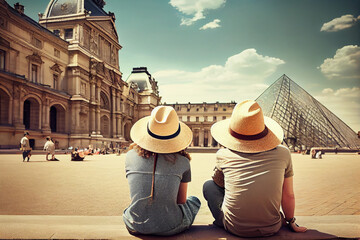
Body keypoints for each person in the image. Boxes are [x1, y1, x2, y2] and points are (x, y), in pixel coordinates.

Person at [203, 100, 307, 237]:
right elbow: (288, 195)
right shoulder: (284, 153)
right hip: (272, 227)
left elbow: (217, 183)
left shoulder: (223, 154)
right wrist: (291, 221)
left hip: (235, 228)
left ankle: (220, 221)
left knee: (209, 186)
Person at [123, 106, 201, 236]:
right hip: (170, 227)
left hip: (134, 224)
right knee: (194, 200)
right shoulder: (183, 161)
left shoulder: (130, 156)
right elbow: (181, 200)